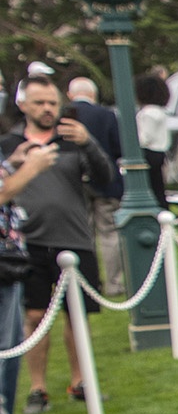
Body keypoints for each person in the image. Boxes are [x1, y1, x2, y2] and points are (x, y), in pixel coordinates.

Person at [1, 77, 110, 414]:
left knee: (77, 316)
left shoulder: (72, 141)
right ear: (23, 105)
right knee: (34, 316)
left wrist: (89, 143)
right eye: (39, 103)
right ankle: (37, 389)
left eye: (52, 103)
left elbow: (106, 180)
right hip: (29, 241)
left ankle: (81, 381)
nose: (47, 109)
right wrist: (24, 166)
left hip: (75, 237)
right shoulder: (10, 145)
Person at [1, 136, 63, 414]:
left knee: (11, 350)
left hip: (8, 260)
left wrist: (11, 165)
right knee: (3, 353)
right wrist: (31, 169)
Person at [64, 77, 124, 294]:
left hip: (74, 182)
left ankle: (87, 282)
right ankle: (114, 283)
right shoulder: (106, 115)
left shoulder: (65, 116)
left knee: (83, 233)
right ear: (93, 95)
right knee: (109, 233)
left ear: (71, 95)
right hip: (104, 182)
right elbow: (118, 149)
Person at [134, 72, 170, 207]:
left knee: (153, 189)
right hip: (159, 152)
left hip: (150, 153)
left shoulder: (148, 113)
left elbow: (145, 137)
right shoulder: (160, 111)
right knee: (158, 187)